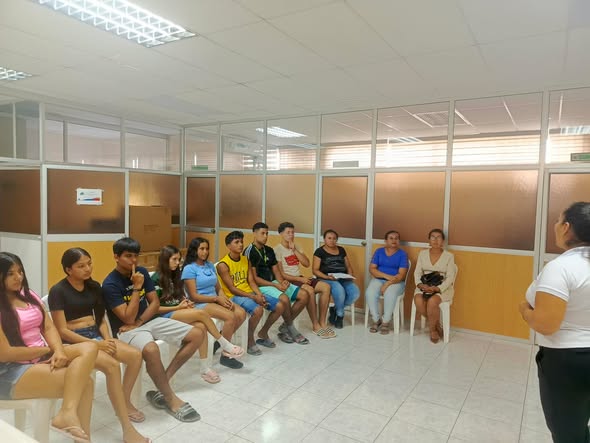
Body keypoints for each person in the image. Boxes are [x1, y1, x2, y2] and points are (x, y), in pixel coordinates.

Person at [49, 247, 150, 443]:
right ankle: (127, 428)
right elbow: (62, 331)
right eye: (81, 266)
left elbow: (101, 318)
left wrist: (106, 339)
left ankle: (124, 400)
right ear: (68, 269)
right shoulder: (58, 291)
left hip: (96, 336)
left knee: (135, 355)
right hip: (74, 342)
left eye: (89, 264)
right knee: (112, 366)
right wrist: (96, 345)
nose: (88, 269)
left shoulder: (94, 286)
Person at [102, 237, 202, 423]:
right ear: (116, 257)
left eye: (136, 256)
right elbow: (127, 318)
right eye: (128, 256)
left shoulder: (140, 272)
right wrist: (136, 288)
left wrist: (140, 321)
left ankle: (163, 382)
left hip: (146, 321)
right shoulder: (110, 284)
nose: (133, 260)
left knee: (197, 334)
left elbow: (154, 303)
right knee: (151, 349)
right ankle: (170, 398)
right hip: (126, 330)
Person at [0, 252, 97, 443]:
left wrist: (59, 350)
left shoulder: (28, 295)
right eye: (11, 273)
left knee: (90, 348)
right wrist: (47, 350)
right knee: (86, 384)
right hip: (10, 370)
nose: (18, 277)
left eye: (20, 271)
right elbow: (6, 354)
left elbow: (48, 326)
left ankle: (67, 413)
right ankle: (75, 427)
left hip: (38, 357)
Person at [519, 202, 590, 443]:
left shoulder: (561, 267)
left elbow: (546, 325)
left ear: (566, 227)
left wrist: (524, 311)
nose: (555, 225)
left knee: (568, 432)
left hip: (568, 361)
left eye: (558, 221)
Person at [151, 245, 244, 383]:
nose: (177, 263)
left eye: (179, 260)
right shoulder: (156, 278)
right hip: (163, 315)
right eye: (174, 259)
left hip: (177, 310)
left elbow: (179, 296)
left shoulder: (175, 274)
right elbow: (154, 308)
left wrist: (185, 302)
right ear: (165, 259)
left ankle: (204, 368)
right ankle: (225, 344)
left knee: (201, 327)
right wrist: (178, 307)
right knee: (201, 313)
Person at [182, 237, 247, 370]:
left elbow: (218, 288)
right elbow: (193, 296)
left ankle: (220, 341)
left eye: (207, 249)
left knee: (241, 313)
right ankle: (226, 355)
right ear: (194, 250)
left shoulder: (210, 265)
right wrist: (217, 299)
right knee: (230, 317)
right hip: (200, 303)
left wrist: (224, 299)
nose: (205, 252)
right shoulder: (189, 268)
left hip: (215, 299)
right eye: (201, 249)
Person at [216, 231, 284, 356]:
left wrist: (259, 295)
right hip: (234, 296)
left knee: (280, 306)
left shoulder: (246, 260)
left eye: (241, 242)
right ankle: (249, 339)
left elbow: (251, 281)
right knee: (258, 310)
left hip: (250, 293)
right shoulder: (223, 265)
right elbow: (232, 289)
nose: (241, 244)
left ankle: (263, 332)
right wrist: (253, 297)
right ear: (228, 246)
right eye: (236, 242)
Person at [244, 222, 310, 344]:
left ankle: (285, 326)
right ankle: (290, 328)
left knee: (304, 295)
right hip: (260, 285)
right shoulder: (249, 251)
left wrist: (282, 282)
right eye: (262, 233)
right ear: (254, 233)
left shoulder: (269, 250)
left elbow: (276, 271)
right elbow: (254, 279)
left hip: (273, 282)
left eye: (267, 233)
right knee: (284, 299)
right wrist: (276, 285)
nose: (265, 236)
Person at [274, 222, 333, 334]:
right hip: (289, 280)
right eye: (288, 232)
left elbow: (306, 264)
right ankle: (315, 325)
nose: (291, 235)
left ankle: (322, 322)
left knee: (326, 287)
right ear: (281, 234)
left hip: (299, 278)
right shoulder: (277, 250)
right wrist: (301, 280)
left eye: (292, 232)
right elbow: (281, 274)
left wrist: (295, 250)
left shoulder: (297, 246)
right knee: (310, 290)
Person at [413, 229, 456, 344]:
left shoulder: (449, 256)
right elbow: (417, 272)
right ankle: (437, 325)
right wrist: (420, 284)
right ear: (429, 240)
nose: (435, 240)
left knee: (432, 301)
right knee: (418, 300)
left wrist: (438, 288)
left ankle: (433, 330)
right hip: (424, 284)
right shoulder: (422, 253)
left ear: (443, 241)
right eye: (433, 237)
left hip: (443, 287)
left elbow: (450, 277)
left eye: (439, 237)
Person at [312, 229, 360, 330]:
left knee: (355, 293)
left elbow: (348, 266)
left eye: (334, 238)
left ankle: (334, 309)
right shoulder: (319, 251)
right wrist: (327, 277)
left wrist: (350, 275)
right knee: (340, 291)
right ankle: (340, 315)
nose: (332, 240)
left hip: (342, 277)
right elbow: (315, 270)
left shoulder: (341, 250)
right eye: (329, 238)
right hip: (326, 278)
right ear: (324, 239)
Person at [366, 230, 409, 335]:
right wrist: (386, 277)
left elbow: (401, 275)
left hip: (397, 282)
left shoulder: (402, 254)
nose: (394, 240)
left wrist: (387, 283)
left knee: (390, 294)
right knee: (370, 292)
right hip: (380, 279)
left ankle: (385, 322)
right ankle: (376, 320)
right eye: (391, 238)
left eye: (396, 238)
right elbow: (372, 269)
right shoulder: (379, 251)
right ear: (385, 240)